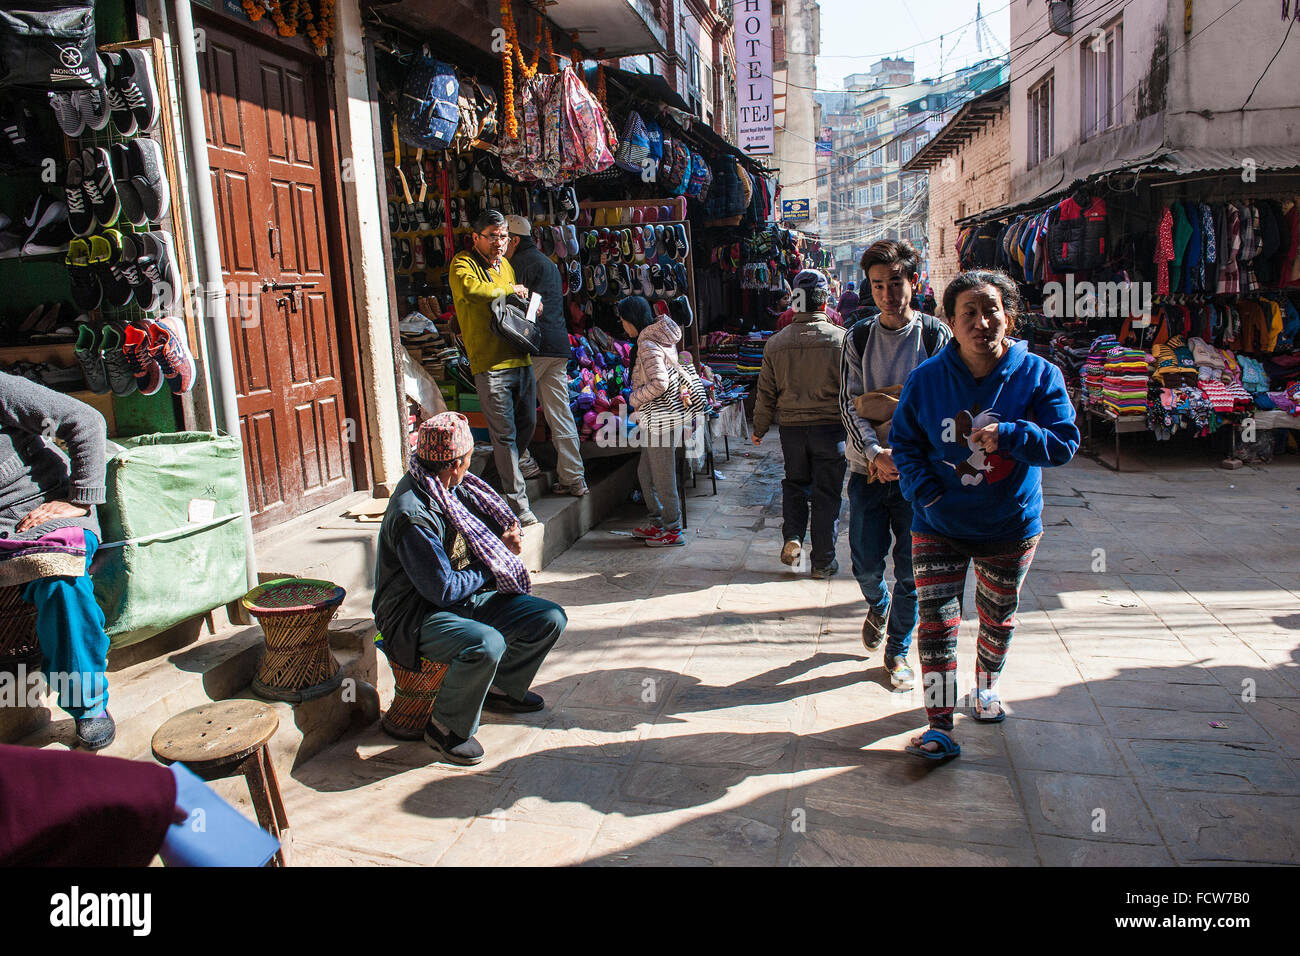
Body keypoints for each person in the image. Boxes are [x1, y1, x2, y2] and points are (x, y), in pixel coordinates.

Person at [889, 270, 1079, 761]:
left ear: (1009, 317)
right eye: (967, 313)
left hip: (1009, 528)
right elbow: (906, 444)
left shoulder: (1040, 375)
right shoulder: (925, 380)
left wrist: (1013, 435)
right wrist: (924, 492)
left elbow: (1063, 444)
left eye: (990, 310)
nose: (980, 322)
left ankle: (987, 686)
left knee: (997, 616)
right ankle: (937, 724)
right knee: (936, 625)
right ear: (950, 322)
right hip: (938, 525)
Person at [373, 412, 566, 765]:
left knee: (548, 618)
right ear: (454, 464)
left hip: (460, 598)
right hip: (416, 615)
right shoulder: (412, 514)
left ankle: (500, 689)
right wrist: (495, 559)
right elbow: (442, 591)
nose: (469, 468)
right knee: (485, 643)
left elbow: (484, 534)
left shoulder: (451, 487)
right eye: (467, 460)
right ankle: (445, 728)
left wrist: (504, 536)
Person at [839, 239, 951, 690]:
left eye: (895, 283)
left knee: (911, 570)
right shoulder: (858, 336)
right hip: (866, 469)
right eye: (878, 285)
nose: (887, 293)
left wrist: (901, 451)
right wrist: (875, 453)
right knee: (866, 562)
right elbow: (849, 405)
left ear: (913, 282)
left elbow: (939, 405)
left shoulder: (935, 336)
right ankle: (876, 603)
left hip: (917, 472)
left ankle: (897, 652)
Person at [0, 371, 113, 750]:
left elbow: (85, 421)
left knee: (60, 580)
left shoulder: (3, 389)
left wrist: (80, 499)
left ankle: (88, 705)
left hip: (47, 509)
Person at [449, 209, 542, 526]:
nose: (500, 242)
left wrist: (529, 304)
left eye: (503, 236)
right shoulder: (463, 264)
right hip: (490, 365)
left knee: (526, 427)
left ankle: (482, 483)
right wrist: (509, 290)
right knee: (504, 437)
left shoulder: (506, 266)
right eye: (493, 236)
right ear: (476, 237)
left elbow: (511, 305)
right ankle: (519, 507)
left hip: (521, 358)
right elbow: (475, 292)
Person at [752, 269, 847, 578]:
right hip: (830, 430)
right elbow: (853, 392)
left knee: (795, 486)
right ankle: (822, 562)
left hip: (792, 432)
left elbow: (766, 392)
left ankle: (793, 537)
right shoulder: (842, 341)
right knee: (827, 495)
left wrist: (759, 428)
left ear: (794, 302)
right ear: (825, 303)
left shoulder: (776, 343)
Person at [505, 214, 587, 498]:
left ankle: (525, 463)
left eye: (504, 239)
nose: (501, 245)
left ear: (514, 240)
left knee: (512, 407)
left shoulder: (517, 264)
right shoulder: (548, 264)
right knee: (560, 413)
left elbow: (524, 309)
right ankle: (574, 478)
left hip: (534, 347)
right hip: (557, 346)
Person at [621, 296, 688, 548]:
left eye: (623, 320)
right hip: (660, 415)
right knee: (646, 472)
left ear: (632, 320)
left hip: (661, 416)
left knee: (662, 476)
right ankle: (657, 522)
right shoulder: (658, 336)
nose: (622, 325)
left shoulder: (648, 343)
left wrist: (634, 397)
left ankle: (673, 529)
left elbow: (661, 383)